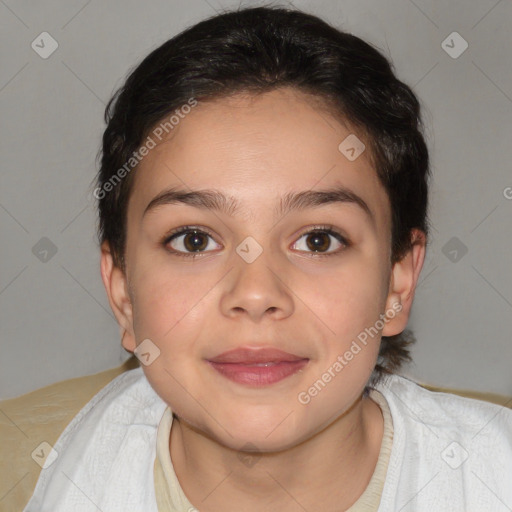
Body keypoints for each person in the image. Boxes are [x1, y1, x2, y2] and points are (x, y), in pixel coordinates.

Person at [24, 4, 512, 511]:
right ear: (122, 292)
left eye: (318, 240)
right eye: (194, 240)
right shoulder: (25, 470)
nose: (256, 294)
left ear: (398, 283)